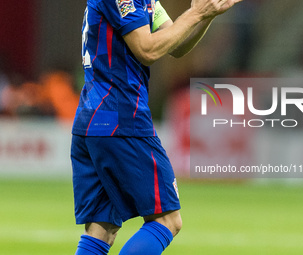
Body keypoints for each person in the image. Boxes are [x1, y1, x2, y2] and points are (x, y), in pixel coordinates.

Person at [71, 0, 243, 254]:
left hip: (94, 120)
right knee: (167, 221)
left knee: (101, 227)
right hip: (121, 120)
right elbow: (147, 49)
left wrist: (207, 14)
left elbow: (176, 44)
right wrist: (195, 12)